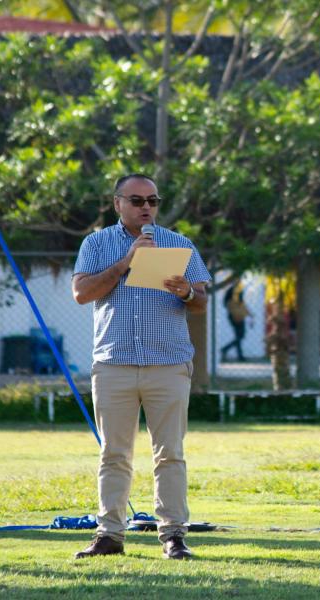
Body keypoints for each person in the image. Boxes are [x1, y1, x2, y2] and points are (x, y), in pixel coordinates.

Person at [71, 174, 211, 560]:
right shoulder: (96, 244)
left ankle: (173, 535)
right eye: (136, 200)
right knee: (114, 453)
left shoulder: (179, 243)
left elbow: (202, 300)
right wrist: (126, 262)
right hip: (113, 364)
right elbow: (81, 293)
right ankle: (109, 535)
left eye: (152, 200)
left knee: (170, 453)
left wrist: (186, 291)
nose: (146, 207)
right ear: (117, 203)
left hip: (168, 363)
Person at [220, 281, 252, 362]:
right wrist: (248, 314)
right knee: (240, 336)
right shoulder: (235, 291)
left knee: (239, 337)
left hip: (236, 316)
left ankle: (238, 355)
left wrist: (249, 314)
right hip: (236, 316)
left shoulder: (234, 290)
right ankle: (226, 349)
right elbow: (239, 304)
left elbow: (241, 304)